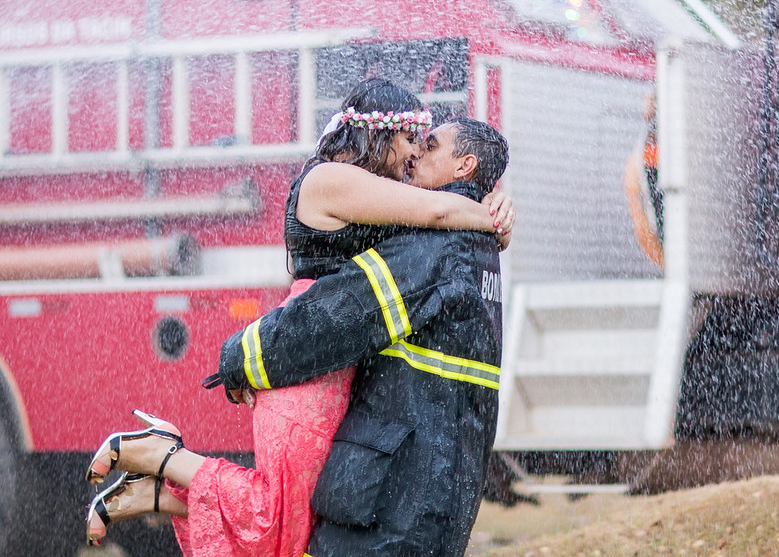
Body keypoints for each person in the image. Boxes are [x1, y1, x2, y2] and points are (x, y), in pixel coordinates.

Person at [84, 80, 513, 556]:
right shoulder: (332, 178)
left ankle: (166, 494)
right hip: (308, 351)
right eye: (412, 138)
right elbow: (434, 213)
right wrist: (492, 217)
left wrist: (492, 208)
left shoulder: (376, 190)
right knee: (277, 521)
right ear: (382, 132)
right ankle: (162, 456)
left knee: (297, 522)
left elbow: (433, 218)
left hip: (333, 361)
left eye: (425, 143)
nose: (414, 152)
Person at [209, 117, 508, 556]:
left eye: (432, 145)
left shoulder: (435, 248)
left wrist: (241, 356)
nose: (418, 152)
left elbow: (337, 317)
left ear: (464, 166)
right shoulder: (482, 246)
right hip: (438, 499)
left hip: (389, 504)